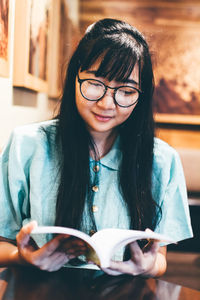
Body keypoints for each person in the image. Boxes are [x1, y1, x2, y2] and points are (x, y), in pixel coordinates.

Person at [0, 18, 193, 277]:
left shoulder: (162, 160)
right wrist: (23, 257)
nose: (107, 103)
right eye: (95, 83)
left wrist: (147, 267)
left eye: (126, 90)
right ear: (75, 77)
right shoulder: (27, 145)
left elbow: (159, 259)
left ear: (141, 96)